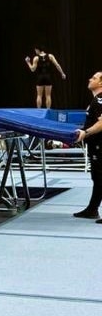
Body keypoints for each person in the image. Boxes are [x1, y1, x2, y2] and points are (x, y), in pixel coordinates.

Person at [72, 70, 102, 222]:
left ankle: (93, 209)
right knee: (97, 178)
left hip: (100, 145)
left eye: (94, 78)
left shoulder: (100, 100)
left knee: (100, 177)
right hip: (95, 145)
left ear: (101, 83)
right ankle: (92, 209)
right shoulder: (95, 100)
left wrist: (86, 132)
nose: (90, 79)